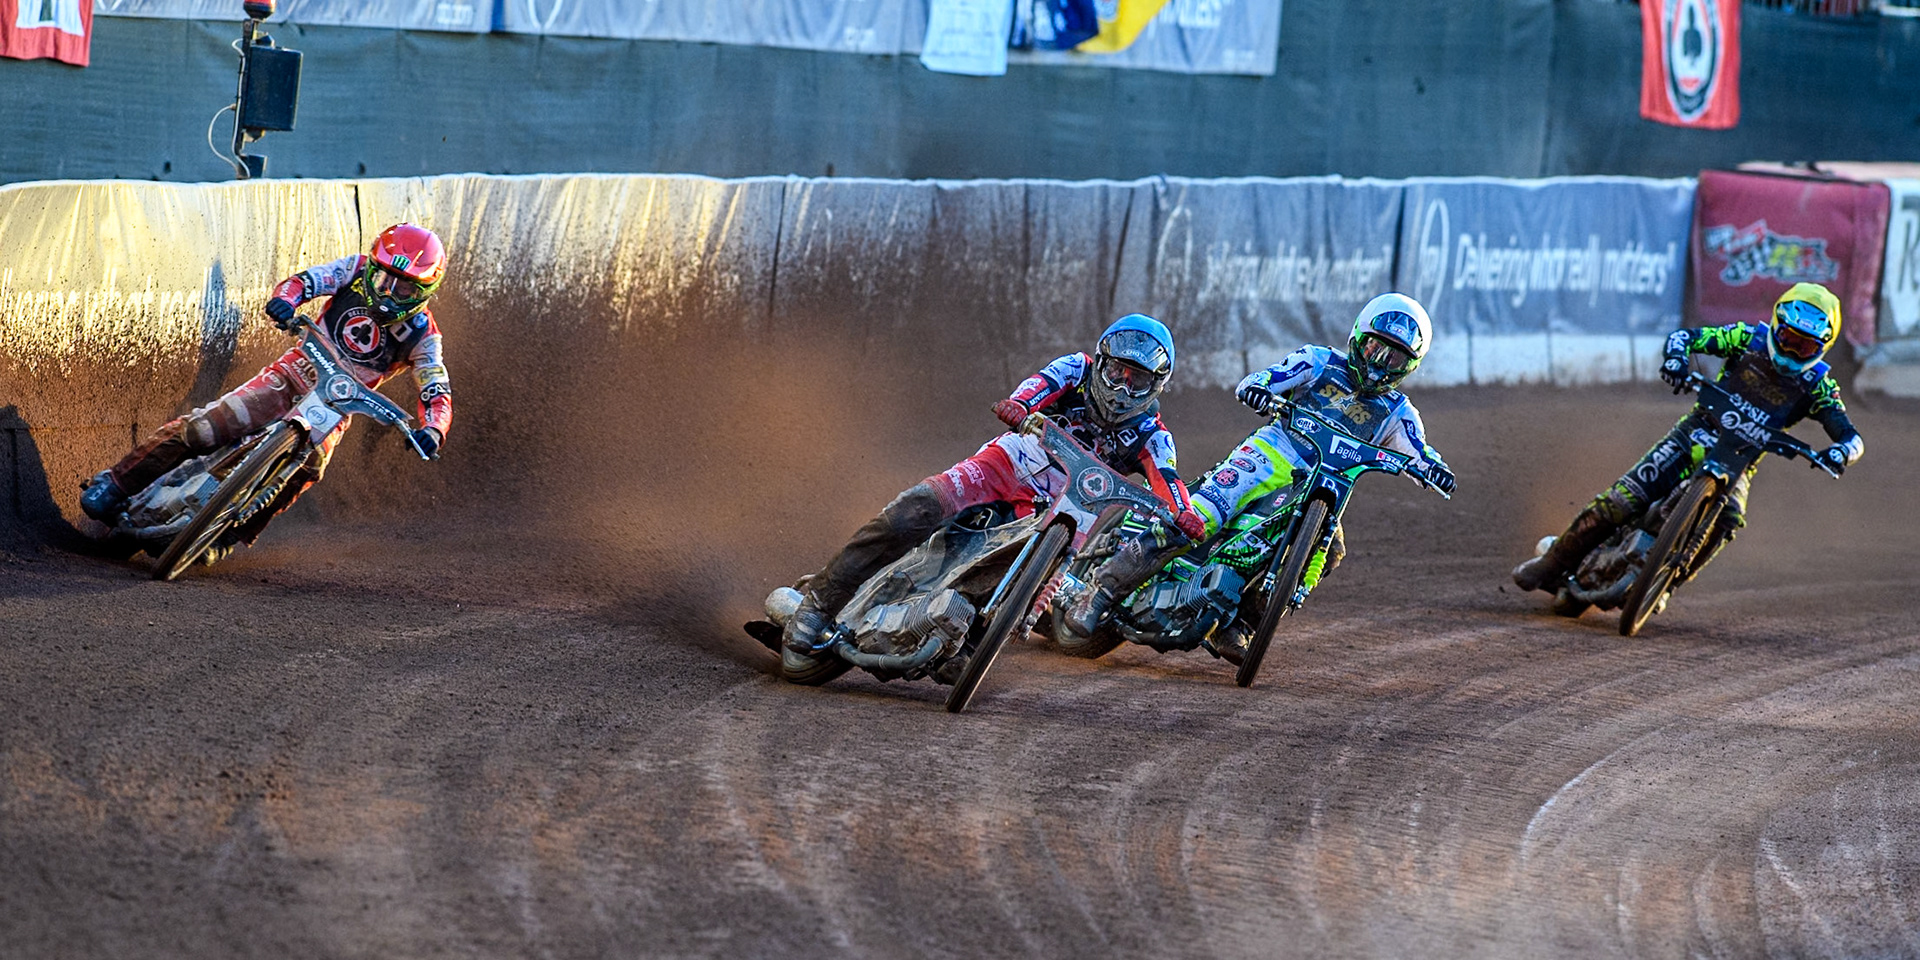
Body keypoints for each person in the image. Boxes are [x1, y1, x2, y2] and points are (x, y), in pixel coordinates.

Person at [781, 313, 1208, 661]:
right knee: (916, 508)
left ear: (1156, 387)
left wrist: (1184, 513)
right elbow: (1041, 383)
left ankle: (967, 639)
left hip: (1066, 507)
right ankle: (817, 606)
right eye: (1115, 372)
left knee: (1029, 593)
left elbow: (1167, 479)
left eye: (1136, 380)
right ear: (1101, 361)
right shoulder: (1077, 368)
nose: (1120, 388)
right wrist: (1020, 406)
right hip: (1009, 461)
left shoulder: (1154, 435)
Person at [1061, 293, 1456, 648]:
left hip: (1326, 486)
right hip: (1270, 457)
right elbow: (1268, 377)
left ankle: (1239, 623)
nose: (1379, 363)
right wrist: (1260, 388)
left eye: (1395, 358)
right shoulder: (1319, 362)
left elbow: (1418, 450)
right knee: (1197, 518)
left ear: (1411, 366)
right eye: (1375, 348)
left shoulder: (1398, 412)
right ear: (1358, 338)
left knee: (1330, 550)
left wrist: (1432, 468)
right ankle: (1100, 593)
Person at [79, 223, 454, 555]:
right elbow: (307, 281)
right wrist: (285, 301)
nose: (388, 293)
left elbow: (435, 388)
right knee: (206, 426)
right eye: (384, 279)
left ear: (425, 290)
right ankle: (117, 483)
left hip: (336, 406)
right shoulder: (354, 270)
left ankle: (229, 538)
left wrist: (433, 429)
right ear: (372, 268)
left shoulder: (424, 336)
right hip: (293, 373)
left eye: (404, 288)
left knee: (309, 468)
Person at [1512, 282, 1863, 594]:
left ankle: (1667, 583)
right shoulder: (1746, 339)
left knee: (1729, 520)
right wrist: (1676, 361)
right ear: (1775, 325)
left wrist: (1841, 452)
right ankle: (1552, 564)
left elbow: (1850, 435)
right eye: (1787, 339)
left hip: (1740, 463)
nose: (1790, 352)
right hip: (1691, 436)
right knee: (1621, 501)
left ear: (1823, 347)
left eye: (1803, 347)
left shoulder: (1818, 386)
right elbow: (1686, 337)